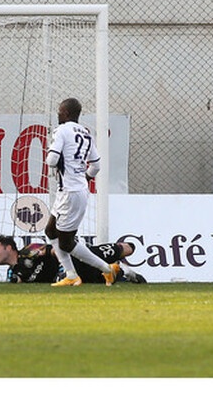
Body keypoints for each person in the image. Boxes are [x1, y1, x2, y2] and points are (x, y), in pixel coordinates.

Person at [45, 97, 119, 287]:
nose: (58, 114)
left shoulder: (61, 130)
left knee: (66, 243)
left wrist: (54, 157)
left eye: (60, 111)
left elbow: (52, 160)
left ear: (66, 113)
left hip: (70, 193)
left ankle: (107, 269)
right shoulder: (86, 133)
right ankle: (71, 274)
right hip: (73, 190)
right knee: (50, 230)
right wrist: (83, 178)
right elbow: (96, 166)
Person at [0, 235, 146, 284]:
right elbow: (17, 282)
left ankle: (120, 267)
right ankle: (124, 273)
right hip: (75, 275)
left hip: (78, 259)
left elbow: (55, 250)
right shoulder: (13, 273)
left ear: (9, 248)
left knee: (128, 248)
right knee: (103, 279)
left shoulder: (29, 250)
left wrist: (63, 268)